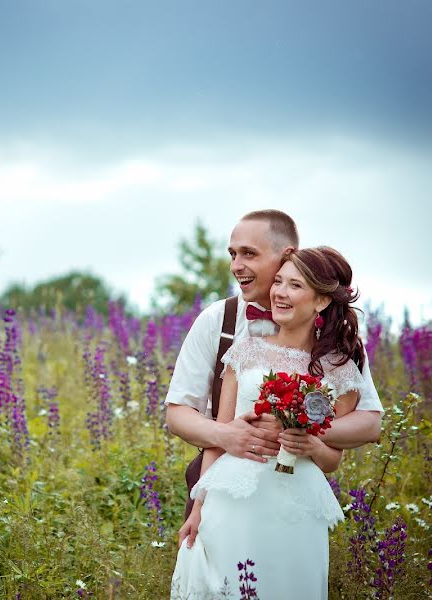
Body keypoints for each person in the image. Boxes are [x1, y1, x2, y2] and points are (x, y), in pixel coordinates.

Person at [164, 210, 383, 539]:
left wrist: (299, 429)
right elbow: (177, 412)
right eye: (233, 254)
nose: (236, 265)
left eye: (249, 253)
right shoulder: (217, 321)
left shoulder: (335, 342)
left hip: (294, 493)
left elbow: (368, 422)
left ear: (287, 256)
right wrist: (225, 436)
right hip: (222, 483)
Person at [170, 246, 369, 599]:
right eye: (278, 281)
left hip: (298, 505)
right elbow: (219, 435)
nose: (279, 292)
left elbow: (333, 460)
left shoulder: (340, 370)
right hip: (233, 497)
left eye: (294, 285)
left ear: (320, 301)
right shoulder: (245, 352)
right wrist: (198, 507)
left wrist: (310, 443)